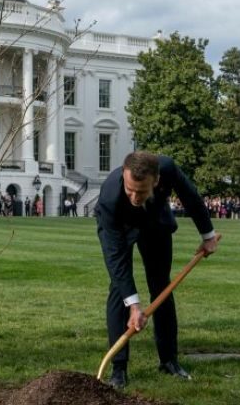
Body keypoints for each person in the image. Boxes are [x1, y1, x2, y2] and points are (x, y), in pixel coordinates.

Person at [95, 151, 219, 389]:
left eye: (141, 191)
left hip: (155, 224)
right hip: (120, 227)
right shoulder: (110, 197)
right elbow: (115, 258)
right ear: (124, 175)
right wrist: (134, 305)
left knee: (161, 285)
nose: (134, 196)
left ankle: (169, 360)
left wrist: (208, 236)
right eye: (130, 189)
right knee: (118, 291)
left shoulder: (168, 169)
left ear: (156, 180)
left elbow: (190, 197)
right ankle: (118, 369)